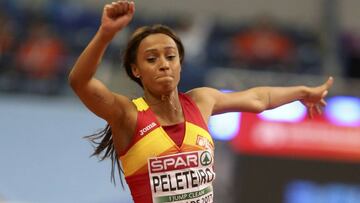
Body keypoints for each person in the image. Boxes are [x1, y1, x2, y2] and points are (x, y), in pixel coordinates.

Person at [68, 1, 334, 202]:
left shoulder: (200, 101)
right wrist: (106, 33)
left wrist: (301, 92)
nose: (163, 64)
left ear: (180, 64)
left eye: (170, 57)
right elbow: (80, 82)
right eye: (151, 59)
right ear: (136, 70)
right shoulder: (128, 115)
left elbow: (258, 98)